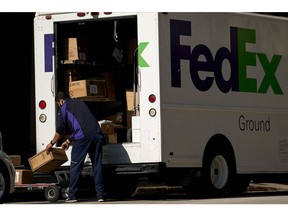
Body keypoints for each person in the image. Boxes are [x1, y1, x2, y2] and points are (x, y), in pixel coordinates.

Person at [46, 91, 106, 203]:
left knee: (76, 165)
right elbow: (83, 125)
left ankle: (72, 195)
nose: (59, 106)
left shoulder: (64, 108)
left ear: (61, 101)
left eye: (58, 104)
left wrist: (51, 143)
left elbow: (59, 131)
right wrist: (68, 140)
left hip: (83, 137)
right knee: (97, 165)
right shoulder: (80, 103)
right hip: (97, 134)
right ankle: (100, 195)